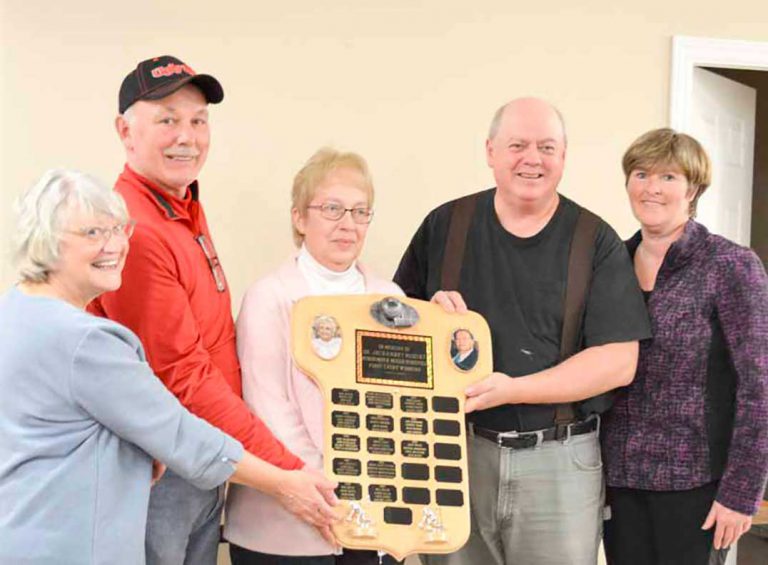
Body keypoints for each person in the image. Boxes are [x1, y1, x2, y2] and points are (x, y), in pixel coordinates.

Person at [0, 170, 337, 565]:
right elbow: (180, 435)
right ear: (47, 240)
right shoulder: (87, 342)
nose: (115, 245)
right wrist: (284, 482)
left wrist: (142, 445)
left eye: (118, 229)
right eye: (93, 233)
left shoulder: (16, 310)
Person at [88, 55, 334, 564]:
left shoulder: (180, 206)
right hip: (161, 467)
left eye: (198, 121)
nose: (187, 136)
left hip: (205, 457)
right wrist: (285, 472)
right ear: (125, 131)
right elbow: (183, 377)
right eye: (168, 120)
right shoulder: (137, 230)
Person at [393, 97, 651, 565]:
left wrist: (513, 390)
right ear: (490, 151)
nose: (532, 159)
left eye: (547, 147)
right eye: (517, 145)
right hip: (455, 454)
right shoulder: (444, 226)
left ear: (564, 156)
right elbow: (392, 331)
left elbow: (619, 362)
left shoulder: (594, 240)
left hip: (560, 464)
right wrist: (428, 318)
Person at [224, 148, 402, 565]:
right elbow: (268, 408)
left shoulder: (391, 300)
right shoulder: (269, 297)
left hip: (373, 520)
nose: (348, 224)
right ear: (300, 218)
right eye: (332, 209)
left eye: (360, 211)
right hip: (284, 525)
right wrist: (327, 485)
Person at [601, 128, 768, 565]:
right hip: (618, 482)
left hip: (697, 485)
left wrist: (741, 493)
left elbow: (760, 386)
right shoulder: (610, 263)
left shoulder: (730, 265)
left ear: (692, 189)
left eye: (668, 177)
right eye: (641, 174)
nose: (651, 187)